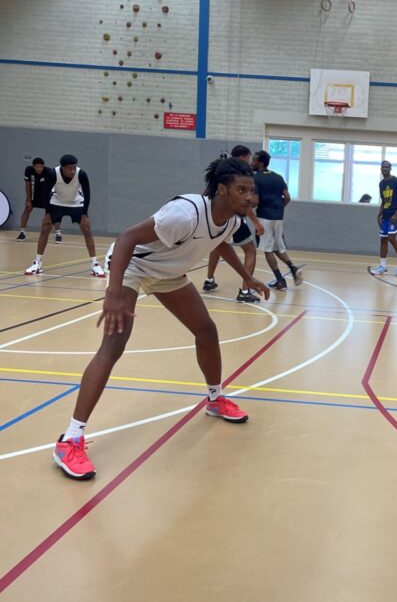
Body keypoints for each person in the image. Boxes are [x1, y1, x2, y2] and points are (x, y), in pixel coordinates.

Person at [52, 158, 271, 481]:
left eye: (251, 191)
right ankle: (70, 440)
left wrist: (246, 277)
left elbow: (221, 244)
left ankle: (215, 399)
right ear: (222, 190)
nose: (250, 197)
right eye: (242, 190)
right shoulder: (184, 214)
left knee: (206, 330)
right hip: (133, 266)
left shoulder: (230, 220)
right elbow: (127, 238)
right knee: (114, 345)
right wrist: (114, 293)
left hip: (168, 274)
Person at [201, 145, 265, 303]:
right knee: (250, 251)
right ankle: (245, 291)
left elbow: (206, 193)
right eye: (248, 158)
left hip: (217, 220)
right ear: (242, 157)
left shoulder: (222, 174)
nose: (249, 162)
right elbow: (243, 204)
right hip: (230, 218)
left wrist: (203, 212)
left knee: (217, 245)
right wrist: (256, 223)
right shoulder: (237, 177)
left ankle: (209, 280)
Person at [25, 155, 104, 277]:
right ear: (62, 167)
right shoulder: (53, 173)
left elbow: (87, 194)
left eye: (74, 167)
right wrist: (47, 213)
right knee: (45, 228)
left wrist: (84, 214)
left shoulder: (81, 174)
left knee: (86, 229)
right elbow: (46, 193)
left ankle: (95, 264)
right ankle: (38, 262)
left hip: (76, 202)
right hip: (57, 202)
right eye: (69, 168)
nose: (72, 171)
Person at [252, 150, 303, 291]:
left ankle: (280, 280)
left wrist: (245, 208)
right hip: (278, 218)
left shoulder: (256, 178)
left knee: (267, 250)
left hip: (264, 218)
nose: (252, 163)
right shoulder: (278, 177)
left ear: (261, 163)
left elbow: (255, 201)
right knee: (277, 247)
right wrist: (279, 208)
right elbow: (287, 197)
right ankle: (293, 268)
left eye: (254, 160)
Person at [369, 160, 397, 276]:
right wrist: (379, 215)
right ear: (381, 169)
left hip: (395, 216)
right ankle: (383, 266)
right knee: (383, 239)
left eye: (387, 167)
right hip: (385, 216)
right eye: (383, 167)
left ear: (390, 168)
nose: (385, 169)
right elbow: (384, 201)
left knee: (391, 238)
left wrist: (395, 215)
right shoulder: (381, 184)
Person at [17, 157, 56, 242]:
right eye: (37, 167)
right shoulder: (28, 170)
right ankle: (22, 232)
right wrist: (28, 199)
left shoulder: (48, 171)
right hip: (34, 196)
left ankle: (58, 233)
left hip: (46, 196)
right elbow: (27, 185)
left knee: (52, 214)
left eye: (41, 166)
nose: (39, 169)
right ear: (33, 166)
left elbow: (54, 185)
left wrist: (54, 197)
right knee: (27, 210)